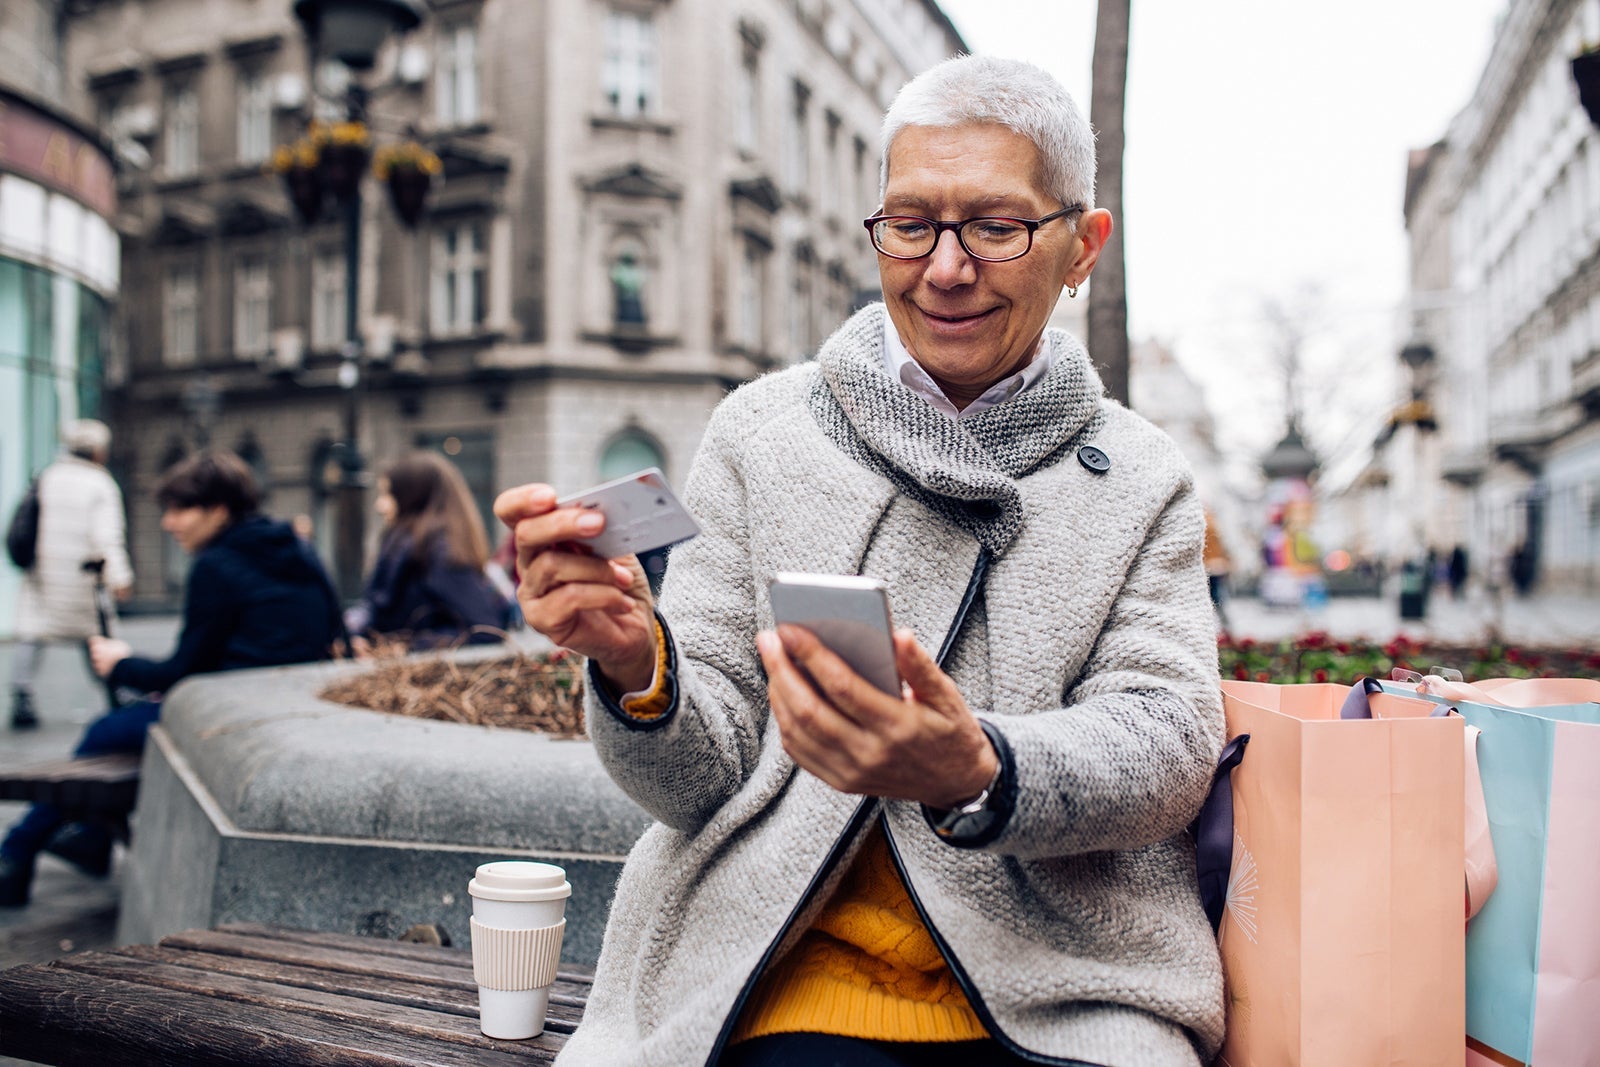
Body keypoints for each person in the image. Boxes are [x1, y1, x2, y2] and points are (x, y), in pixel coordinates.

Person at [497, 55, 1224, 1067]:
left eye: (995, 226)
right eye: (911, 223)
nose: (944, 268)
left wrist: (980, 765)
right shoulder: (760, 431)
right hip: (781, 973)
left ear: (1081, 246)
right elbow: (694, 782)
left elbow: (1166, 740)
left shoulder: (1139, 475)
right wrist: (635, 665)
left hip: (1061, 983)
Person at [0, 449, 344, 907]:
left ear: (218, 509)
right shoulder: (297, 549)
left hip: (230, 714)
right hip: (289, 706)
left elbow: (183, 671)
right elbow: (334, 632)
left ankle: (17, 853)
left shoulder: (216, 565)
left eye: (181, 509)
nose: (168, 522)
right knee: (120, 731)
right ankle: (85, 838)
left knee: (106, 731)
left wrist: (120, 662)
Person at [8, 419, 133, 730]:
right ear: (97, 451)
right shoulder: (99, 483)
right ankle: (115, 688)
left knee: (32, 632)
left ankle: (21, 694)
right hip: (83, 576)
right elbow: (107, 536)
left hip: (43, 573)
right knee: (96, 634)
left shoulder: (47, 476)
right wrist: (119, 576)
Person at [343, 451, 509, 651]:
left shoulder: (437, 551)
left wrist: (406, 647)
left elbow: (485, 630)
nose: (380, 505)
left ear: (411, 495)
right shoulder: (406, 545)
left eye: (387, 494)